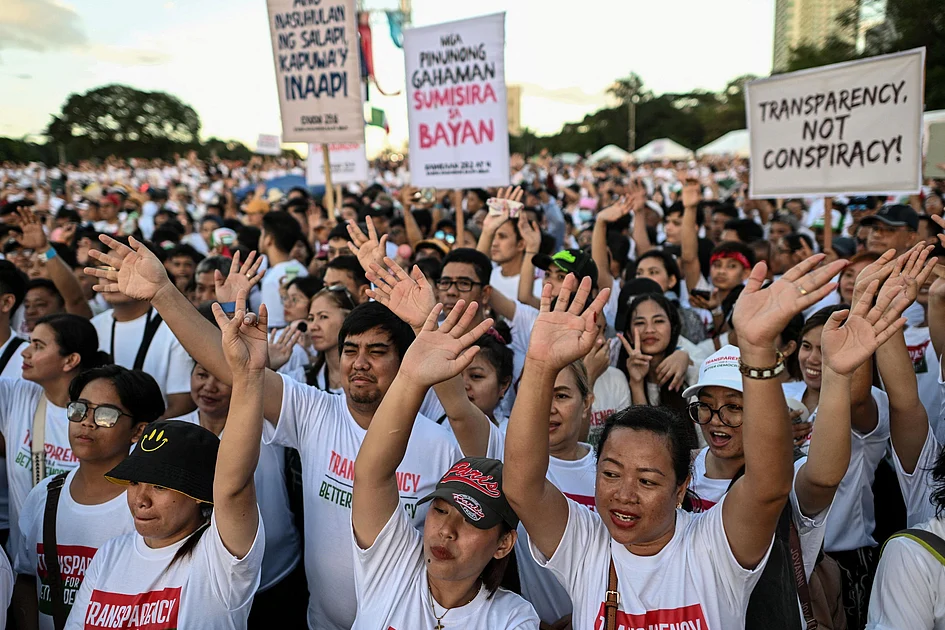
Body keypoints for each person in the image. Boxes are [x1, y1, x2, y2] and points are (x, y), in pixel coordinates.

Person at [84, 235, 468, 630]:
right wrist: (163, 294)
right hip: (320, 622)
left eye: (377, 352)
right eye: (351, 350)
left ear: (406, 359)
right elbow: (233, 367)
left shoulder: (440, 445)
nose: (359, 363)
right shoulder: (318, 411)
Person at [503, 254, 847, 629]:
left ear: (682, 487)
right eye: (611, 474)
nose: (624, 494)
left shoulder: (713, 546)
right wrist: (540, 365)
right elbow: (522, 486)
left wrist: (759, 350)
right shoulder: (585, 545)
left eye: (647, 480)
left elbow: (768, 486)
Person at [683, 266, 907, 628]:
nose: (716, 420)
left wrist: (837, 375)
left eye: (735, 407)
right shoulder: (679, 472)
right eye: (705, 406)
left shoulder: (788, 474)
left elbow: (821, 478)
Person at [65, 291, 267, 629]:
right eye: (134, 482)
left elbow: (234, 485)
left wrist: (248, 376)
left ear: (199, 494)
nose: (140, 499)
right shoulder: (109, 555)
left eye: (159, 486)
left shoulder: (221, 560)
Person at [350, 300, 538, 628]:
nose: (446, 531)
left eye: (471, 519)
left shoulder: (513, 618)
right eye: (439, 510)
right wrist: (411, 377)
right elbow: (372, 474)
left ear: (503, 543)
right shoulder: (393, 562)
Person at [12, 365, 165, 630]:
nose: (87, 421)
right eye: (80, 408)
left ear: (138, 431)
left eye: (106, 414)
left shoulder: (147, 507)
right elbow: (27, 577)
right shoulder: (44, 495)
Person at [173, 351, 304, 627]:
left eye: (221, 378)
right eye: (201, 375)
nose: (209, 387)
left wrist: (263, 372)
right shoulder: (174, 432)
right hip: (205, 582)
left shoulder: (268, 426)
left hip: (276, 572)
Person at [0, 314, 109, 557]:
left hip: (79, 561)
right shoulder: (16, 395)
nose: (25, 352)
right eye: (29, 342)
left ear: (70, 360)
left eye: (38, 346)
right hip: (22, 564)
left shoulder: (103, 417)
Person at [89, 237, 196, 418]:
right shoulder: (94, 327)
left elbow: (181, 405)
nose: (111, 278)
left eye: (121, 270)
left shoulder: (174, 329)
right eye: (105, 269)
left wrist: (138, 432)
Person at [617, 293, 688, 412]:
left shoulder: (692, 374)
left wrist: (683, 354)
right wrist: (636, 383)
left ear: (673, 328)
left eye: (658, 321)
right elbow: (643, 424)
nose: (649, 330)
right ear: (629, 335)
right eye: (640, 323)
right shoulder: (618, 382)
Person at [258, 211, 308, 329]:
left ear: (269, 239)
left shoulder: (272, 279)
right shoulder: (300, 268)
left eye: (262, 233)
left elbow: (272, 327)